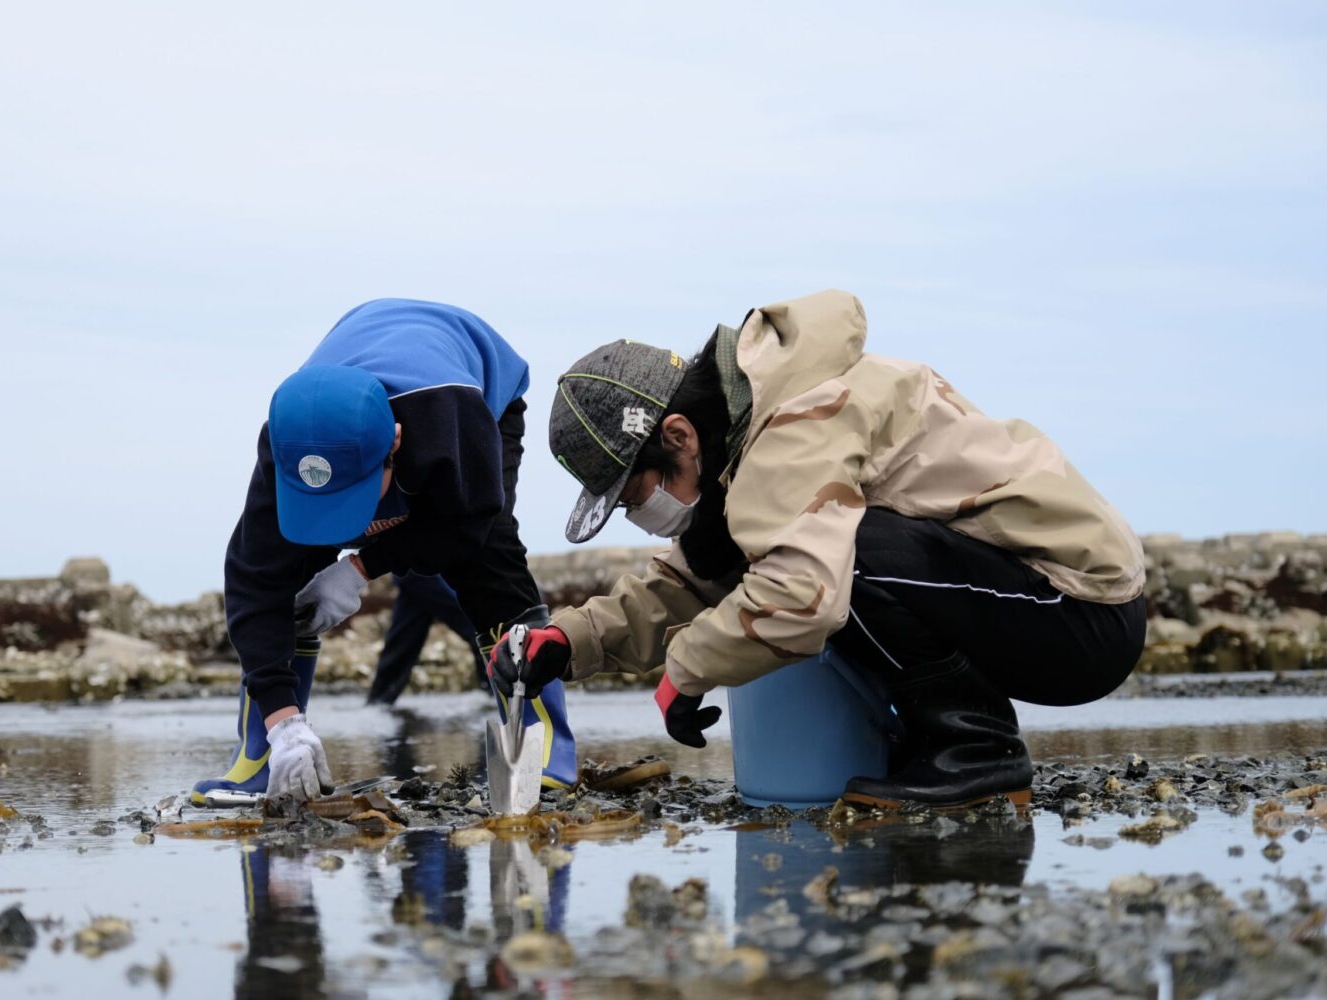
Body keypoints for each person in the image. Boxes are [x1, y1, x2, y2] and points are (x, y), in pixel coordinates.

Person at [488, 288, 1146, 810]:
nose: (639, 515)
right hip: (1017, 599)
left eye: (634, 495)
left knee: (833, 560)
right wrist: (572, 641)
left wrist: (685, 670)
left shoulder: (798, 422)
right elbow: (698, 576)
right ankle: (935, 743)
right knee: (794, 554)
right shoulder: (739, 449)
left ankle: (974, 751)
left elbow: (801, 597)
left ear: (680, 435)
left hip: (1080, 610)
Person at [192, 299, 576, 807]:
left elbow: (466, 527)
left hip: (477, 390)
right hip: (344, 411)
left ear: (396, 446)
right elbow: (252, 579)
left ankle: (545, 744)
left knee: (489, 566)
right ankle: (266, 753)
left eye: (349, 499)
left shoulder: (452, 421)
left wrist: (360, 567)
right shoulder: (288, 439)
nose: (344, 524)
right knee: (288, 578)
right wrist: (283, 718)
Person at [367, 573, 487, 706]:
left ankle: (378, 702)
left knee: (402, 641)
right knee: (479, 627)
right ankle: (494, 697)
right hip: (425, 571)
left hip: (415, 571)